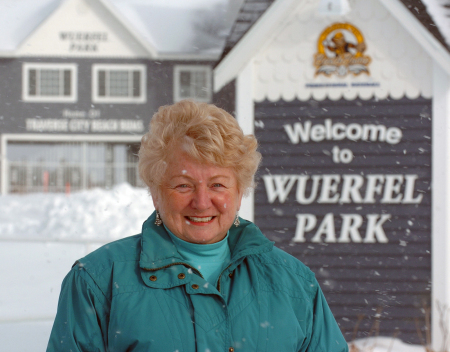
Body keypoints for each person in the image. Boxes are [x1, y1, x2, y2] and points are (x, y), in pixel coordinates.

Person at [47, 100, 348, 352]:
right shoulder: (97, 282)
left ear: (239, 191)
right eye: (183, 185)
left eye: (217, 184)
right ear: (155, 191)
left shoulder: (293, 284)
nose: (202, 202)